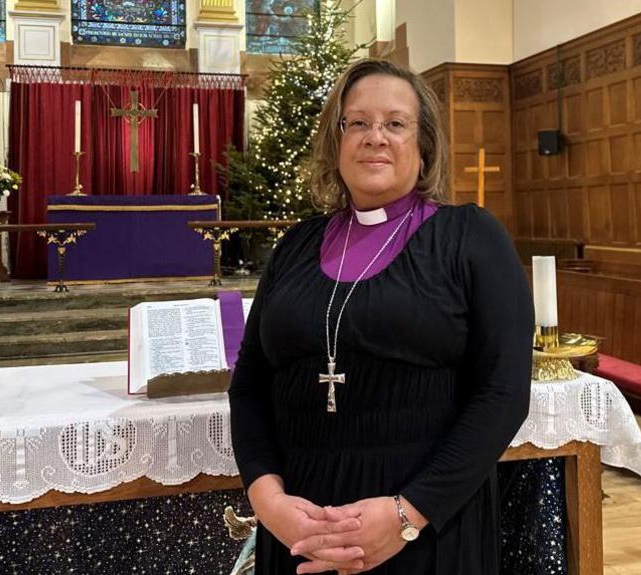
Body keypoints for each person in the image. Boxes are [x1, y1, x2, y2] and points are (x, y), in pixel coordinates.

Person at [228, 58, 534, 574]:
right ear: (337, 141)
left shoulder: (471, 238)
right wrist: (268, 501)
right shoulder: (295, 246)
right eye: (358, 123)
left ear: (423, 144)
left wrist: (406, 515)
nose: (376, 137)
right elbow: (250, 383)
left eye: (395, 123)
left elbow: (502, 395)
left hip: (426, 530)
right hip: (300, 530)